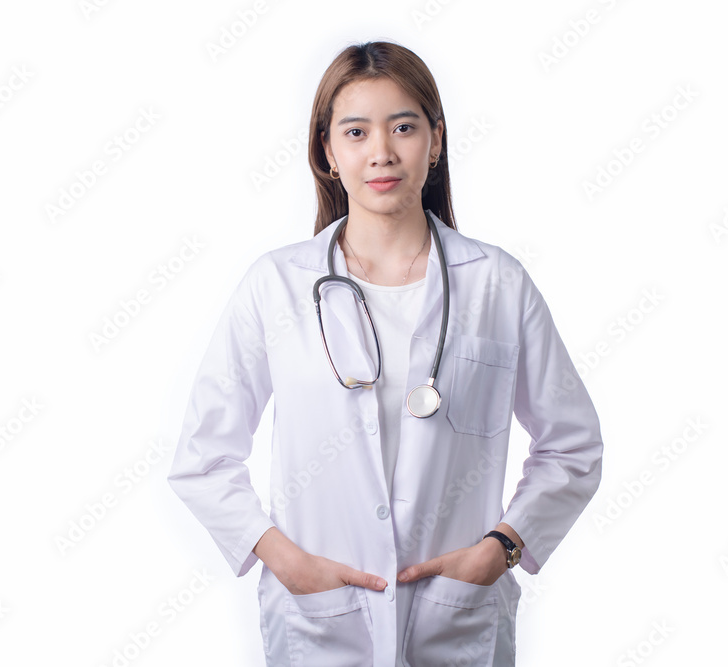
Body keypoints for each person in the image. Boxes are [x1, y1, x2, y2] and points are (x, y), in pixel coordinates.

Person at [167, 40, 604, 667]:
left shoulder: (496, 284)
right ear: (327, 151)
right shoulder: (276, 285)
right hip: (321, 618)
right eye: (356, 131)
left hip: (455, 618)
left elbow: (573, 445)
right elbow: (203, 458)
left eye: (404, 126)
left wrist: (502, 547)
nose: (381, 151)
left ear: (437, 139)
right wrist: (284, 559)